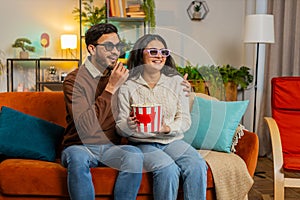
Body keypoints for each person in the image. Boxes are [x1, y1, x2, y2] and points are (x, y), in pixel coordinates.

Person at [115, 34, 208, 200]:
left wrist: (168, 128)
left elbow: (185, 119)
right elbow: (120, 125)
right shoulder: (127, 85)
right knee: (168, 169)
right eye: (153, 51)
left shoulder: (177, 82)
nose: (159, 56)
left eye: (164, 52)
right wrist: (128, 126)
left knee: (197, 164)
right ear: (140, 54)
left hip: (172, 140)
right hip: (143, 143)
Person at [60, 23, 144, 200]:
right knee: (77, 158)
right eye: (108, 46)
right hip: (79, 146)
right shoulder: (74, 80)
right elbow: (87, 127)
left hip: (110, 147)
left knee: (134, 155)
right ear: (92, 48)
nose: (115, 52)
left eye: (118, 46)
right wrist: (111, 87)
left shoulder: (119, 75)